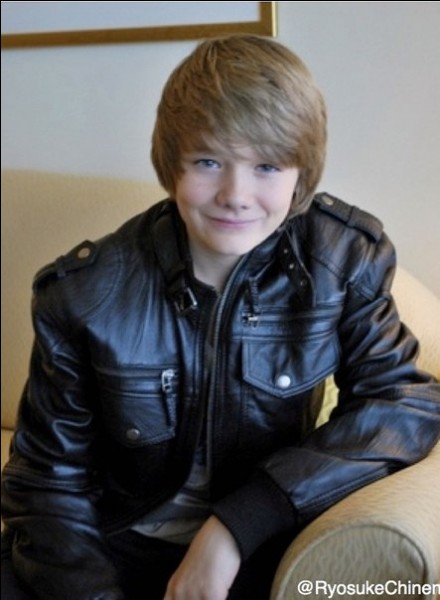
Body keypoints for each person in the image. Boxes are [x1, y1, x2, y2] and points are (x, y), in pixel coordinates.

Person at [1, 34, 439, 600]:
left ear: (301, 175)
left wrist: (236, 525)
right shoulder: (85, 293)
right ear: (171, 166)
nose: (236, 194)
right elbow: (46, 482)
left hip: (261, 543)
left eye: (267, 165)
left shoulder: (340, 259)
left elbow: (402, 402)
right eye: (208, 161)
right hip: (108, 546)